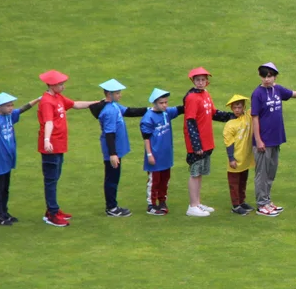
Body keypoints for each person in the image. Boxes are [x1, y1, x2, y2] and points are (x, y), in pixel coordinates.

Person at [37, 70, 100, 227]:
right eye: (60, 84)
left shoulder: (57, 97)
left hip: (59, 145)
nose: (63, 86)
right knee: (51, 180)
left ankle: (53, 209)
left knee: (55, 177)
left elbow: (75, 105)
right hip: (51, 147)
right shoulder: (46, 102)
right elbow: (48, 122)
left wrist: (97, 102)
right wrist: (46, 140)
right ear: (51, 85)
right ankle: (52, 214)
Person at [250, 62, 296, 218]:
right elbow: (255, 118)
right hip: (263, 141)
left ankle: (267, 201)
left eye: (270, 76)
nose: (267, 79)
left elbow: (294, 94)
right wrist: (258, 140)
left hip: (276, 139)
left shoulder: (278, 89)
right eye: (264, 76)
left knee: (271, 172)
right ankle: (261, 205)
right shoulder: (257, 94)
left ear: (275, 76)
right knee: (262, 173)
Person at [182, 67, 237, 218]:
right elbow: (190, 122)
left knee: (200, 173)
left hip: (207, 141)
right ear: (193, 81)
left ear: (207, 81)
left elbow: (213, 113)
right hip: (198, 144)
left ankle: (197, 202)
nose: (200, 82)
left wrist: (231, 116)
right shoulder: (192, 98)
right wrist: (196, 145)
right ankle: (192, 206)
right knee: (195, 173)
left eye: (203, 80)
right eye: (197, 80)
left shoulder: (205, 94)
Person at [90, 79, 147, 218]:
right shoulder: (109, 111)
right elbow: (109, 134)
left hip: (115, 150)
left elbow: (129, 111)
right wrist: (113, 154)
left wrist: (150, 109)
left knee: (113, 177)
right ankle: (111, 208)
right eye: (117, 92)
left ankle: (112, 206)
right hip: (112, 151)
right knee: (112, 179)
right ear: (109, 94)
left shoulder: (114, 105)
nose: (120, 95)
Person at [0, 92, 38, 226]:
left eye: (11, 105)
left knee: (5, 188)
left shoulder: (10, 116)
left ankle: (4, 212)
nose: (11, 108)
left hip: (8, 158)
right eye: (8, 106)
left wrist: (37, 100)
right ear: (0, 107)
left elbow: (22, 109)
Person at [139, 88, 182, 216]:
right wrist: (149, 154)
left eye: (166, 102)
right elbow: (146, 139)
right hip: (155, 156)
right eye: (162, 103)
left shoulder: (166, 113)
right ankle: (151, 205)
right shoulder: (148, 118)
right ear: (155, 103)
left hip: (166, 156)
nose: (165, 105)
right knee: (154, 181)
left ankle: (162, 201)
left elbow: (180, 109)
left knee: (165, 180)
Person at [223, 94, 255, 216]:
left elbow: (256, 104)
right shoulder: (230, 125)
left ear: (243, 107)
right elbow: (229, 143)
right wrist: (231, 159)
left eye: (239, 107)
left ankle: (242, 201)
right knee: (234, 184)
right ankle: (236, 205)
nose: (237, 110)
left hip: (246, 159)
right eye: (235, 107)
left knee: (243, 181)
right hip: (236, 160)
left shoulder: (248, 116)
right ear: (231, 108)